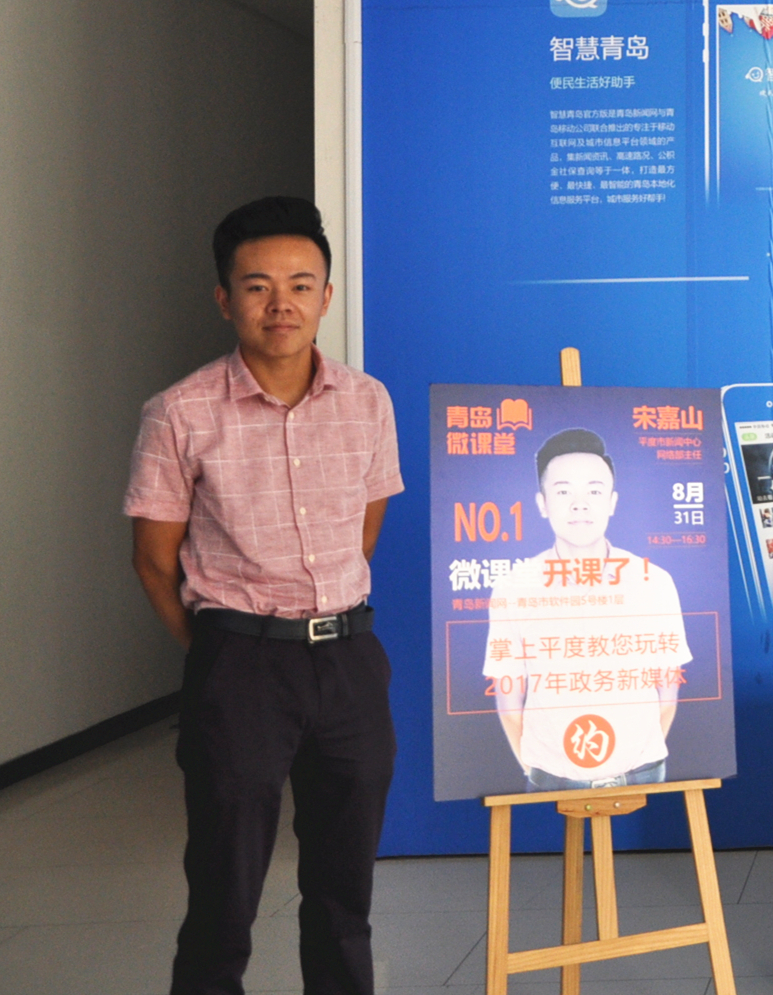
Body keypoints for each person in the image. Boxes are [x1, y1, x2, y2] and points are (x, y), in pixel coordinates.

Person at [123, 197, 404, 995]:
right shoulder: (179, 412)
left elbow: (362, 532)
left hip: (348, 659)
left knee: (344, 891)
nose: (280, 303)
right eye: (257, 286)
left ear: (326, 296)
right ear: (225, 299)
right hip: (239, 663)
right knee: (224, 889)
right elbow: (153, 561)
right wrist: (223, 649)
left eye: (299, 284)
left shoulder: (367, 401)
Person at [483, 428, 691, 792]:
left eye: (594, 491)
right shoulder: (514, 587)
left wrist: (638, 756)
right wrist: (533, 766)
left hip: (643, 773)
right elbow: (508, 692)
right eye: (563, 491)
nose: (579, 504)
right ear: (542, 503)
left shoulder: (654, 581)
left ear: (612, 502)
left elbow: (668, 688)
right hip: (550, 778)